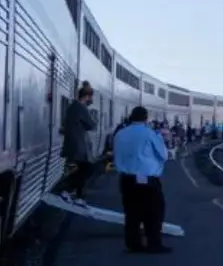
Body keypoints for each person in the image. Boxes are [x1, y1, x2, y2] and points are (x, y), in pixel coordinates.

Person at [112, 106, 172, 253]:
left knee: (132, 212)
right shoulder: (150, 134)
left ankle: (133, 244)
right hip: (145, 178)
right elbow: (163, 155)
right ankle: (154, 244)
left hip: (126, 179)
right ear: (146, 118)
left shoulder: (120, 134)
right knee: (154, 212)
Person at [55, 81, 98, 205]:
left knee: (81, 170)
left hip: (72, 145)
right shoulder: (80, 107)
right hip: (77, 146)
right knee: (88, 169)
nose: (91, 100)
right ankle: (65, 189)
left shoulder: (72, 107)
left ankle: (79, 197)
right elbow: (91, 125)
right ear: (86, 97)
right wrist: (94, 119)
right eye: (91, 97)